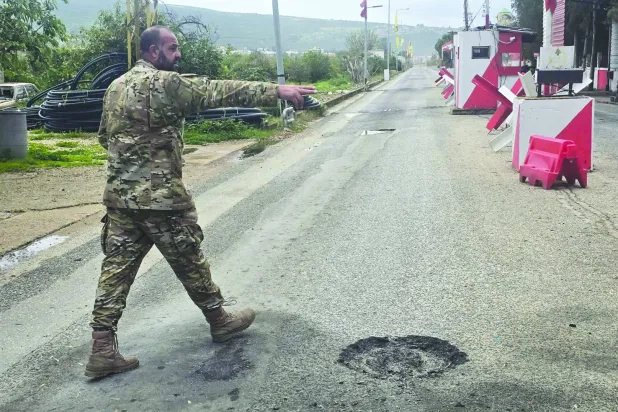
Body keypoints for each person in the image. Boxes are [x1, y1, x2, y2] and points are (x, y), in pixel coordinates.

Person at [85, 25, 316, 378]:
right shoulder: (165, 83)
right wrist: (276, 91)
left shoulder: (115, 87)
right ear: (152, 53)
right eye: (172, 48)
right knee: (191, 260)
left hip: (120, 200)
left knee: (115, 273)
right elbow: (216, 91)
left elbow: (105, 137)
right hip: (161, 200)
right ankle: (220, 320)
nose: (178, 55)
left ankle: (102, 350)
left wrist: (134, 162)